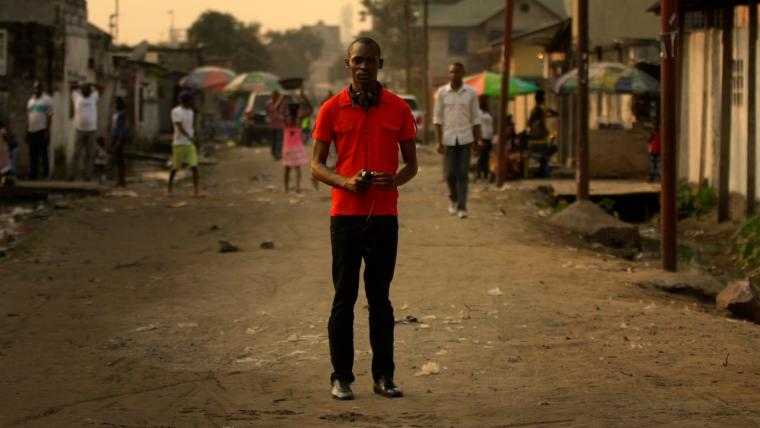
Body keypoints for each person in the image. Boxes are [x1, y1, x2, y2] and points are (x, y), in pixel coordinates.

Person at [311, 37, 418, 401]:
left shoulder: (399, 109)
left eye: (370, 61)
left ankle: (384, 377)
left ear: (380, 64)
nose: (363, 66)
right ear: (347, 63)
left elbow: (412, 164)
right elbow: (316, 164)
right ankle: (341, 377)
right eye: (358, 60)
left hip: (385, 216)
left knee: (380, 299)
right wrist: (344, 181)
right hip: (346, 215)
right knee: (344, 297)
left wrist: (395, 179)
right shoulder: (331, 109)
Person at [433, 62, 482, 219]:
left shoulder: (471, 93)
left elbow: (476, 118)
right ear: (449, 74)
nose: (455, 75)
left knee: (462, 174)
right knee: (450, 174)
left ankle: (462, 207)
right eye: (452, 72)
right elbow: (437, 119)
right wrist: (439, 141)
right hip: (448, 138)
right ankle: (453, 199)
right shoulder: (442, 92)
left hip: (466, 138)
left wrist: (477, 141)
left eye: (458, 72)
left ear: (463, 73)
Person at [277, 88, 313, 193]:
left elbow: (276, 109)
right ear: (297, 110)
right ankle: (297, 187)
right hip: (297, 148)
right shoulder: (299, 119)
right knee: (297, 169)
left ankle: (286, 188)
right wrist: (305, 97)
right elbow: (310, 109)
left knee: (287, 169)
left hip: (287, 148)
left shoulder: (286, 120)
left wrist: (281, 98)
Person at [167, 91, 200, 197]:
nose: (192, 103)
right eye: (191, 101)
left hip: (189, 143)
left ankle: (196, 190)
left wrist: (194, 136)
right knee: (175, 167)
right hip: (179, 143)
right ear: (186, 101)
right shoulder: (176, 111)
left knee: (194, 166)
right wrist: (191, 137)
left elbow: (191, 127)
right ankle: (169, 188)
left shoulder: (191, 112)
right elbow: (179, 127)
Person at [69, 82, 102, 181]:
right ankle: (71, 175)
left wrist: (91, 84)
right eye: (84, 89)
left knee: (89, 154)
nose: (86, 91)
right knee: (76, 154)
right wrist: (81, 85)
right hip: (79, 130)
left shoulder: (94, 97)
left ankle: (87, 176)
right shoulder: (76, 97)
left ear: (90, 90)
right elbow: (70, 87)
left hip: (91, 130)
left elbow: (102, 88)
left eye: (87, 89)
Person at [26, 80, 53, 180]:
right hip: (31, 130)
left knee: (43, 153)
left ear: (41, 88)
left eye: (38, 88)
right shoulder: (31, 101)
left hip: (41, 130)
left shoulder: (47, 100)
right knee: (33, 154)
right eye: (34, 88)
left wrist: (48, 130)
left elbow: (50, 116)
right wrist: (27, 130)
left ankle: (46, 174)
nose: (36, 90)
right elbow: (28, 116)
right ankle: (33, 174)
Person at [476, 95, 494, 182]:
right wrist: (479, 139)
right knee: (482, 156)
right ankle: (478, 173)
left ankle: (486, 173)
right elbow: (477, 126)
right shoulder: (478, 113)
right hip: (483, 137)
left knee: (486, 156)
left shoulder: (487, 113)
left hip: (489, 137)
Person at [111, 97, 128, 187]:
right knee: (117, 160)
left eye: (115, 103)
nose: (114, 105)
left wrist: (119, 140)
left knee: (120, 159)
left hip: (120, 137)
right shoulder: (116, 113)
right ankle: (119, 180)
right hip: (115, 136)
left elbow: (123, 128)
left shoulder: (122, 113)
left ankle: (121, 180)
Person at [266, 90, 286, 160]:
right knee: (273, 140)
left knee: (279, 140)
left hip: (280, 124)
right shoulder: (269, 103)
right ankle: (274, 153)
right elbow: (270, 111)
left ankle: (278, 153)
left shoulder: (283, 103)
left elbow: (284, 112)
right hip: (272, 124)